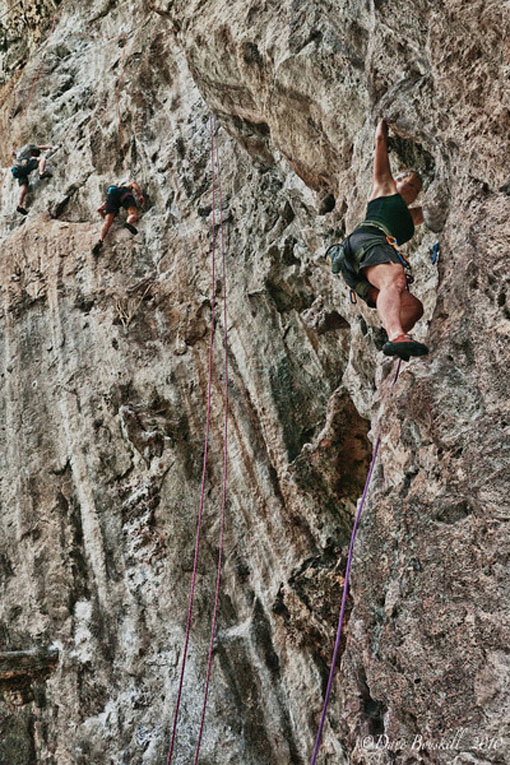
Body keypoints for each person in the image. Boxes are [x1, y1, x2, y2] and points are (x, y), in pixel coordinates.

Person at [330, 119, 429, 361]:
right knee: (394, 279)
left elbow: (435, 210)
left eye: (416, 188)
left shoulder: (411, 216)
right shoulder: (384, 188)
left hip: (360, 265)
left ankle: (392, 340)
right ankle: (396, 336)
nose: (413, 188)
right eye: (409, 181)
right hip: (366, 242)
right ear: (397, 179)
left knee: (413, 307)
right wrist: (382, 126)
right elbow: (380, 143)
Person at [92, 180, 145, 255]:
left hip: (111, 200)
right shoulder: (122, 188)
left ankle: (100, 240)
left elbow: (99, 209)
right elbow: (133, 183)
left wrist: (106, 217)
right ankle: (128, 222)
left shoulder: (109, 198)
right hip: (123, 194)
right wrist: (140, 195)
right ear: (116, 186)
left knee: (107, 223)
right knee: (133, 213)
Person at [11, 143, 55, 215]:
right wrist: (51, 147)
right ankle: (41, 173)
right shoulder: (29, 146)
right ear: (34, 151)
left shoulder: (20, 154)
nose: (35, 155)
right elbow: (40, 146)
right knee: (42, 159)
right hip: (24, 165)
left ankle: (19, 205)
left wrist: (13, 155)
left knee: (23, 188)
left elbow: (15, 158)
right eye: (36, 154)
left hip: (18, 171)